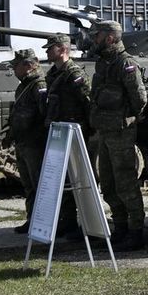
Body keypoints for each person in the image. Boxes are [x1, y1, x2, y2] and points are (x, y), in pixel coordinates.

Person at [88, 20, 147, 250]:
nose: (95, 40)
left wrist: (126, 118)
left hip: (121, 132)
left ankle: (136, 231)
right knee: (109, 184)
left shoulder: (126, 64)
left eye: (98, 36)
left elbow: (140, 99)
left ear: (110, 38)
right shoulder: (103, 64)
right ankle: (120, 228)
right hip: (105, 131)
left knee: (126, 183)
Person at [42, 33, 89, 242]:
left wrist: (87, 130)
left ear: (62, 50)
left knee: (79, 180)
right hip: (60, 132)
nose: (47, 51)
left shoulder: (74, 73)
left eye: (50, 48)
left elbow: (87, 101)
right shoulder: (54, 74)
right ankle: (68, 222)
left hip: (74, 132)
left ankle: (86, 225)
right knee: (63, 181)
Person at [7, 48, 48, 235]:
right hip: (23, 142)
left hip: (34, 142)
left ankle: (43, 222)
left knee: (38, 183)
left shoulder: (39, 85)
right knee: (29, 185)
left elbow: (45, 113)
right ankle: (32, 219)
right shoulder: (24, 85)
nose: (14, 70)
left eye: (16, 66)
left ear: (29, 65)